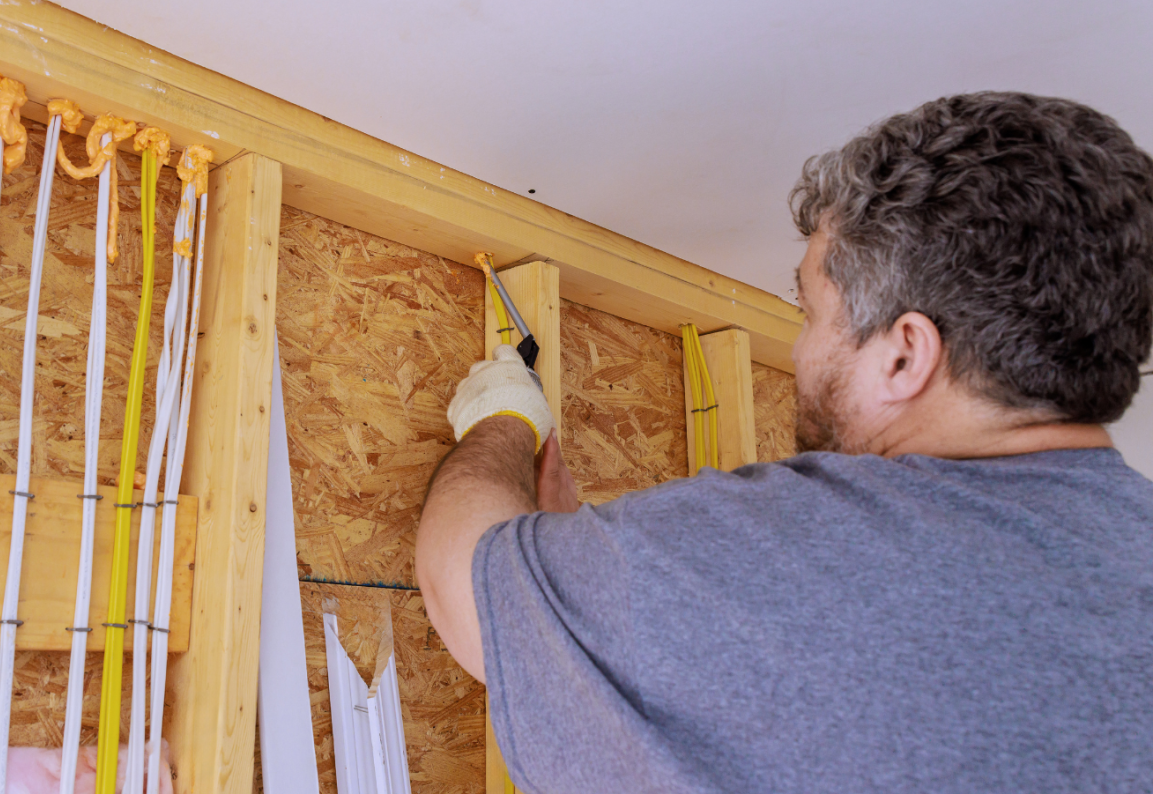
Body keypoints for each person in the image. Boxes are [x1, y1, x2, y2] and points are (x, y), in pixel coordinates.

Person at [416, 92, 1153, 794]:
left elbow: (464, 582)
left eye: (810, 314)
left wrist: (503, 420)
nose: (800, 354)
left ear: (905, 355)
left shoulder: (800, 552)